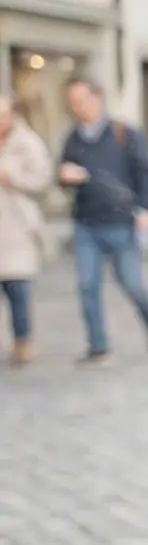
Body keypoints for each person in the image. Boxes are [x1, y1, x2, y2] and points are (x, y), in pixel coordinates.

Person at [56, 78, 148, 366]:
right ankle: (99, 346)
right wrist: (65, 177)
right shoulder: (73, 138)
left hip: (121, 221)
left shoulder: (124, 133)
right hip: (86, 222)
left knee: (130, 282)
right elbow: (63, 174)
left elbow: (146, 172)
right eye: (72, 102)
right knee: (87, 285)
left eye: (81, 100)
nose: (76, 107)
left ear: (97, 99)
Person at [0, 92, 49, 365]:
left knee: (17, 289)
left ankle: (22, 341)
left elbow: (41, 180)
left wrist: (12, 177)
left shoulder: (27, 143)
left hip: (17, 228)